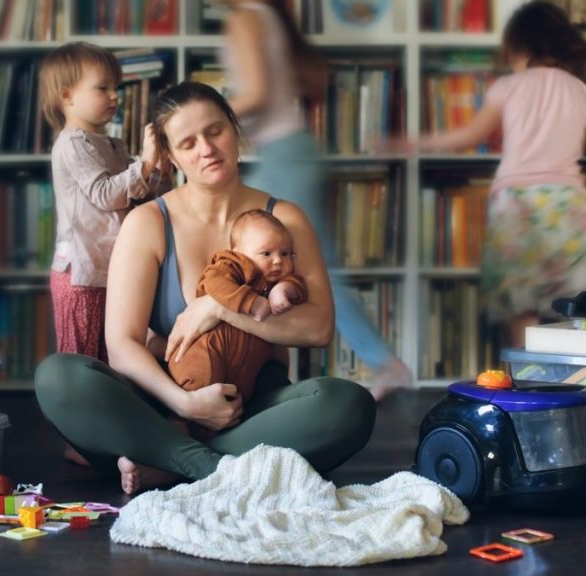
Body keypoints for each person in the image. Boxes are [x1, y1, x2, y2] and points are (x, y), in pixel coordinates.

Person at [35, 82, 377, 495]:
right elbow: (122, 342)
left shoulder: (284, 217)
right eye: (188, 142)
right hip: (163, 407)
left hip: (253, 410)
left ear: (234, 129)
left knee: (348, 405)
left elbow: (318, 327)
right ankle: (214, 464)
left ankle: (169, 463)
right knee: (59, 377)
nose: (206, 149)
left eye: (215, 131)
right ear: (171, 154)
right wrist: (185, 404)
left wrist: (218, 308)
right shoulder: (147, 222)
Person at [382, 1, 586, 346]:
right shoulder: (583, 93)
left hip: (516, 208)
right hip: (566, 204)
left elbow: (467, 137)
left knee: (521, 303)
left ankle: (527, 384)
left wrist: (410, 143)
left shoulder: (508, 87)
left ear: (521, 47)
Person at [218, 0, 412, 398]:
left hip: (283, 154)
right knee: (292, 263)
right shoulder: (271, 17)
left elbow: (254, 93)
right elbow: (310, 82)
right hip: (294, 150)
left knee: (297, 264)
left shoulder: (245, 18)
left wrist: (205, 114)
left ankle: (381, 363)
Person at [39, 41, 168, 463]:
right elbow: (105, 194)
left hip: (113, 270)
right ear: (67, 96)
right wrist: (144, 167)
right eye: (103, 88)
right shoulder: (73, 143)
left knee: (114, 357)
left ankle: (110, 434)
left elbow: (138, 196)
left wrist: (156, 170)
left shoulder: (109, 145)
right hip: (82, 272)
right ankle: (80, 442)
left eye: (117, 88)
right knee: (81, 364)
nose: (115, 97)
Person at [167, 209, 308, 437]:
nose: (277, 261)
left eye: (285, 254)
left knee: (234, 411)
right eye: (266, 253)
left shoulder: (275, 280)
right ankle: (178, 427)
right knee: (200, 384)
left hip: (242, 375)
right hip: (206, 354)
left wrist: (284, 290)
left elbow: (299, 286)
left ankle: (211, 446)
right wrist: (250, 302)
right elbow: (214, 282)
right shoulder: (232, 266)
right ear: (239, 252)